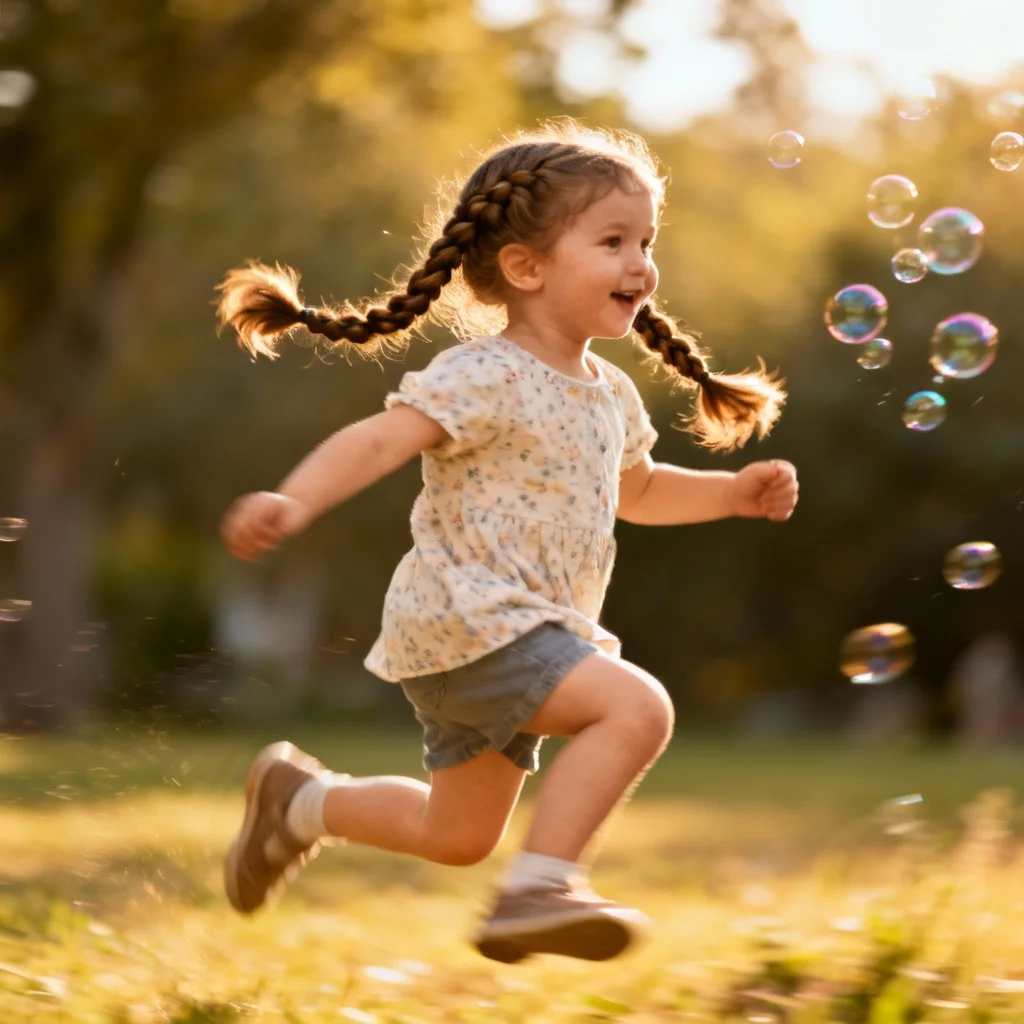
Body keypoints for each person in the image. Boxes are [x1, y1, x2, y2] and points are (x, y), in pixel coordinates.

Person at [214, 118, 799, 964]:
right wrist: (294, 499)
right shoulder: (485, 372)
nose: (641, 263)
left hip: (514, 634)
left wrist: (730, 496)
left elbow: (635, 493)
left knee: (454, 835)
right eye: (612, 241)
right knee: (638, 708)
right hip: (477, 619)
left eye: (646, 240)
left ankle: (298, 802)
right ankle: (540, 891)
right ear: (526, 268)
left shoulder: (610, 396)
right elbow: (380, 440)